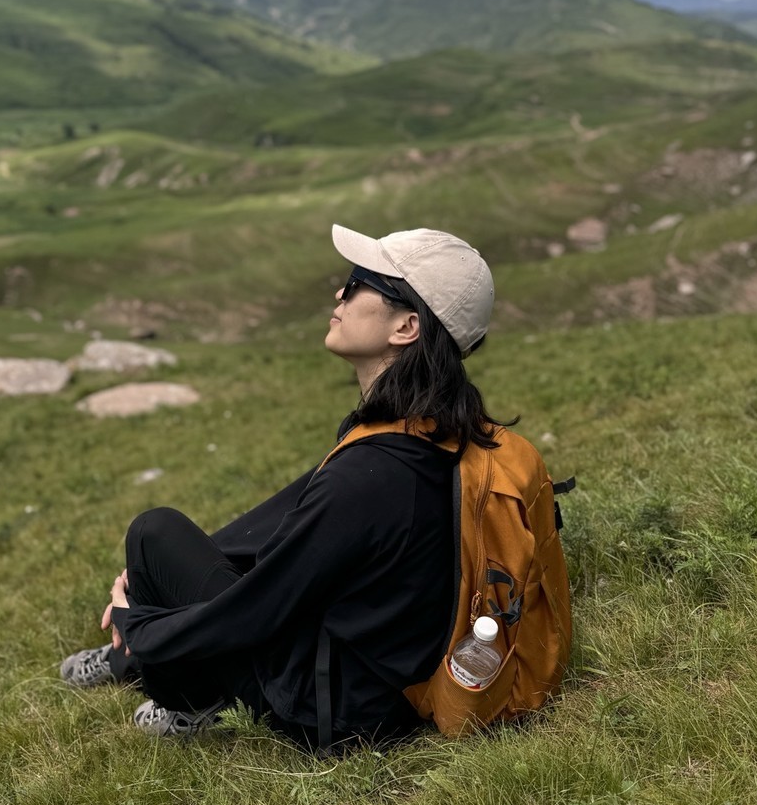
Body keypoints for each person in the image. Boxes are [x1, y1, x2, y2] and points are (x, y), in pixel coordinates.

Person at [60, 222, 506, 751]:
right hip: (385, 676)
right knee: (170, 557)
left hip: (338, 711)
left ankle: (182, 693)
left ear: (407, 326)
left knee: (151, 533)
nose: (341, 293)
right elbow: (287, 531)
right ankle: (135, 645)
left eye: (362, 282)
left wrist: (141, 624)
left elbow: (255, 611)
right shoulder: (433, 432)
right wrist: (152, 582)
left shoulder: (370, 476)